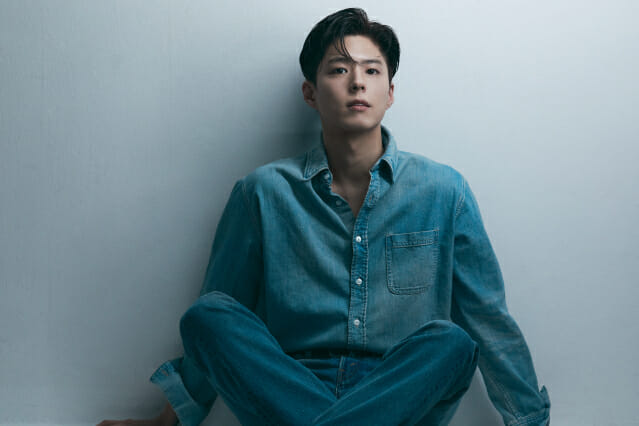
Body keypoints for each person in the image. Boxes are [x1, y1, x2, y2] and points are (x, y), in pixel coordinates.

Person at [98, 7, 550, 426]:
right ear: (310, 93)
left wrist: (530, 420)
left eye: (372, 71)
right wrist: (165, 421)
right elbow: (220, 326)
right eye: (339, 70)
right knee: (207, 316)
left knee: (452, 343)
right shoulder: (262, 192)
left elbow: (489, 321)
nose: (357, 83)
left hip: (400, 392)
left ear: (390, 93)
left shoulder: (445, 190)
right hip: (289, 389)